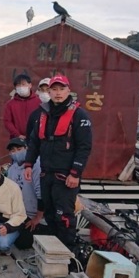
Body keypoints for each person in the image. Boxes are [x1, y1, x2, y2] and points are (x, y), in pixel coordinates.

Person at [24, 74, 92, 248]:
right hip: (47, 174)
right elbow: (34, 142)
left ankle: (69, 256)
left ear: (69, 90)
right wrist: (29, 164)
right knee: (50, 215)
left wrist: (75, 173)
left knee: (64, 218)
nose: (58, 93)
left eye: (62, 89)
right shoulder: (42, 115)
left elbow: (84, 147)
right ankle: (54, 253)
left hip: (66, 177)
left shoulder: (79, 115)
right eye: (54, 89)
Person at [5, 138, 53, 249]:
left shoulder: (37, 166)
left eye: (19, 149)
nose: (16, 152)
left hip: (36, 214)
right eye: (12, 150)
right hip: (20, 213)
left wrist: (38, 218)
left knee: (24, 243)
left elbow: (41, 194)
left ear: (27, 149)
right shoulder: (12, 169)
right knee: (15, 243)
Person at [4, 74, 40, 139]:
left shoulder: (39, 102)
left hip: (35, 138)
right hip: (16, 139)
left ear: (30, 85)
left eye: (23, 84)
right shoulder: (10, 104)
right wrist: (18, 135)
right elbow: (7, 122)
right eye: (18, 85)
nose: (21, 87)